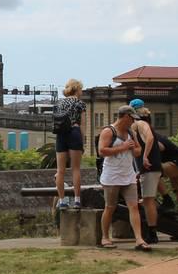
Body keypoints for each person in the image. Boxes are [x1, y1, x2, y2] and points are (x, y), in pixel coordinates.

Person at [98, 104, 148, 250]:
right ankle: (105, 237)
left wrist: (133, 148)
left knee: (133, 206)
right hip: (112, 175)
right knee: (110, 207)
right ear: (126, 117)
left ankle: (139, 239)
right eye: (132, 118)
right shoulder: (109, 131)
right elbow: (102, 151)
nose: (133, 122)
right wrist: (123, 147)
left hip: (128, 174)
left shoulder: (131, 132)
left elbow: (138, 150)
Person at [52, 79, 87, 211]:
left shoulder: (59, 102)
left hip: (60, 134)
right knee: (75, 169)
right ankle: (77, 200)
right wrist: (82, 141)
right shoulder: (79, 103)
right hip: (74, 132)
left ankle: (62, 201)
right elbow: (83, 124)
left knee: (60, 171)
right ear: (77, 89)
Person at [130, 106, 163, 242]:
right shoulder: (146, 125)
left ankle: (152, 233)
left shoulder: (140, 124)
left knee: (148, 200)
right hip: (150, 167)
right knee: (148, 199)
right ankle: (151, 231)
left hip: (149, 166)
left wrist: (144, 157)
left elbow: (149, 138)